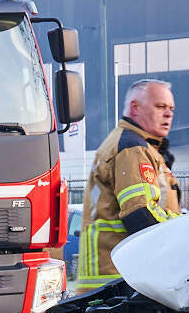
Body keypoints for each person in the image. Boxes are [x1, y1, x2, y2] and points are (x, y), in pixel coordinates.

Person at [76, 79, 179, 290]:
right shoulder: (132, 149)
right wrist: (185, 229)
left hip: (115, 275)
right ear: (135, 107)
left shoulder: (139, 147)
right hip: (121, 278)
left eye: (171, 109)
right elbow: (140, 214)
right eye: (160, 106)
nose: (168, 114)